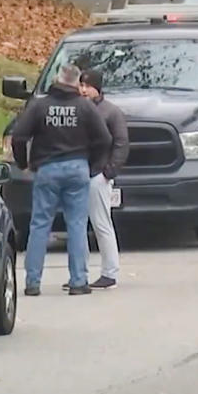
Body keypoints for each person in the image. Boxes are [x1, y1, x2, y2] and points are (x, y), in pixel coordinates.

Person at [11, 63, 112, 296]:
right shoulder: (84, 107)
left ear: (57, 79)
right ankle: (78, 281)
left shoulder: (40, 106)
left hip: (47, 168)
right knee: (76, 224)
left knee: (39, 225)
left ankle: (33, 282)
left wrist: (23, 163)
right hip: (77, 168)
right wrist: (93, 165)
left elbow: (19, 136)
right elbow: (104, 139)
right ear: (76, 83)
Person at [61, 69, 129, 290]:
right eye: (80, 85)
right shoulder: (78, 109)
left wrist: (108, 172)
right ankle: (79, 274)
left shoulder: (111, 112)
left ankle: (110, 272)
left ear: (97, 88)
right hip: (78, 173)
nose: (82, 90)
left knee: (101, 223)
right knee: (78, 225)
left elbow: (121, 144)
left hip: (98, 174)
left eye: (87, 86)